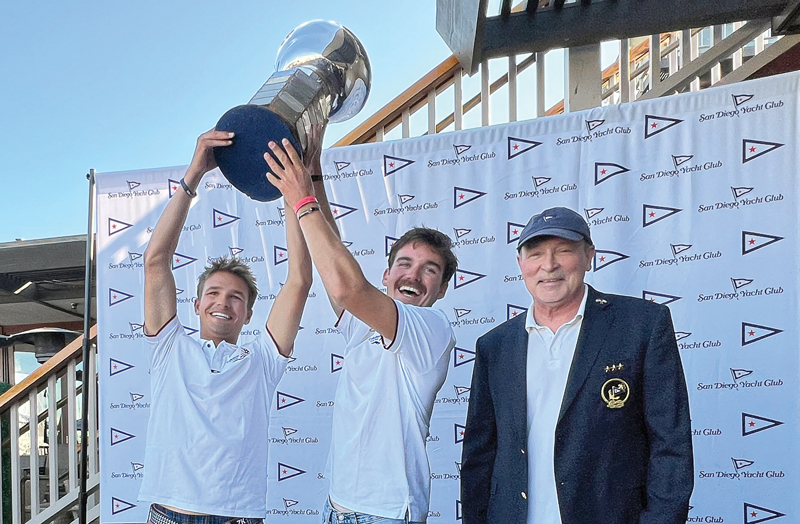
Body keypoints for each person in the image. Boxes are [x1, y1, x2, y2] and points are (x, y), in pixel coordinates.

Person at [264, 138, 458, 524]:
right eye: (404, 263)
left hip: (385, 515)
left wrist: (302, 198)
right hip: (337, 507)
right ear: (386, 275)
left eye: (429, 270)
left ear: (441, 290)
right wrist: (313, 173)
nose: (413, 276)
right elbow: (332, 255)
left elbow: (346, 286)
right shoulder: (364, 321)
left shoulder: (432, 328)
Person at [460, 206, 693, 524]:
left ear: (589, 256)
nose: (549, 265)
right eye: (536, 253)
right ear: (520, 264)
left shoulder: (642, 325)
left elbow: (670, 443)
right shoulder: (494, 346)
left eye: (564, 251)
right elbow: (479, 455)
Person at [139, 129, 313, 523]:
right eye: (214, 293)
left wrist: (293, 195)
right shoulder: (170, 347)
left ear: (248, 314)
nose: (223, 302)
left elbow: (299, 281)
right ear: (197, 305)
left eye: (236, 297)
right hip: (168, 513)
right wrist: (195, 171)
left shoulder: (262, 360)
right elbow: (155, 261)